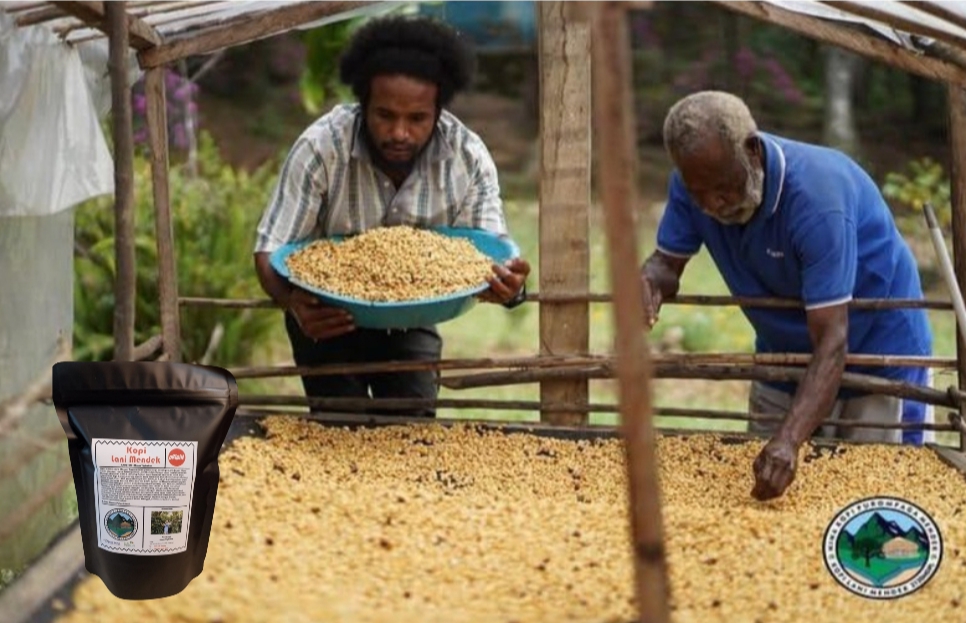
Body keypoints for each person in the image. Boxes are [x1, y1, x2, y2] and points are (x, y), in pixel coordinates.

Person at [640, 91, 934, 501]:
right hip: (784, 355)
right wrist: (649, 280)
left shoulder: (816, 201)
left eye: (723, 187)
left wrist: (789, 440)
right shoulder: (693, 187)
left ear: (753, 152)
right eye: (698, 192)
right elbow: (665, 266)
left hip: (876, 357)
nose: (712, 204)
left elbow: (833, 341)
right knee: (762, 497)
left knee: (874, 501)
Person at [253, 16, 530, 418]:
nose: (399, 133)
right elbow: (270, 248)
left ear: (438, 110)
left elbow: (488, 256)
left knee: (410, 428)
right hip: (328, 316)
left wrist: (509, 288)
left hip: (412, 318)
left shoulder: (466, 158)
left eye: (417, 119)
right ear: (362, 104)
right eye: (384, 115)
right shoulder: (321, 148)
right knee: (338, 430)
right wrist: (292, 303)